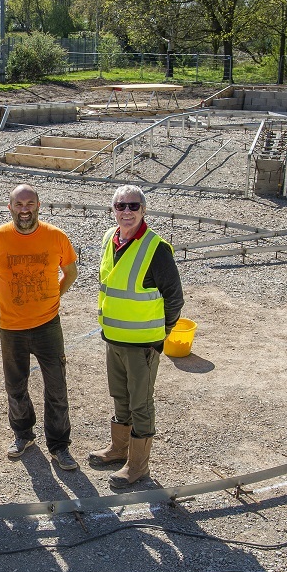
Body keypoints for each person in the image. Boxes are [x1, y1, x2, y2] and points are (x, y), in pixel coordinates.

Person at [89, 185, 183, 487]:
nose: (126, 212)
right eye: (120, 206)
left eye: (133, 206)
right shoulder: (109, 239)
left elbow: (174, 298)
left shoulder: (155, 248)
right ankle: (119, 449)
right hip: (114, 339)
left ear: (144, 210)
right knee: (120, 396)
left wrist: (161, 333)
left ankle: (138, 465)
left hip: (142, 343)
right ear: (113, 210)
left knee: (140, 403)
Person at [0, 184, 79, 470]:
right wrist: (3, 295)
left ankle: (60, 445)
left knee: (57, 388)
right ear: (9, 207)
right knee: (15, 386)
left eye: (30, 203)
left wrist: (54, 296)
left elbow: (70, 272)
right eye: (19, 204)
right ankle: (23, 434)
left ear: (39, 205)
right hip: (11, 328)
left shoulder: (56, 236)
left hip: (48, 324)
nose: (25, 209)